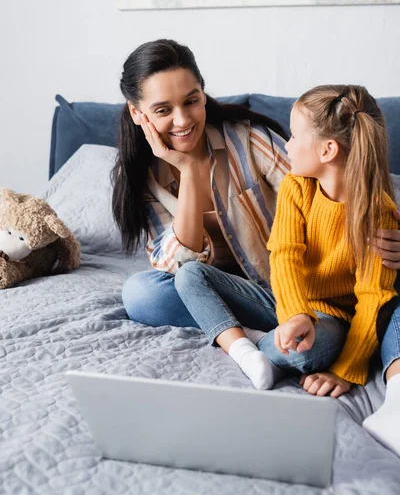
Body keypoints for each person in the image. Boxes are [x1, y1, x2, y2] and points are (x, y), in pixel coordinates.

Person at [113, 40, 400, 455]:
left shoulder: (250, 142)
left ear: (204, 94)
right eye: (162, 110)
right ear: (138, 114)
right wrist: (191, 172)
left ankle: (258, 337)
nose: (182, 119)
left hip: (298, 295)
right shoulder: (141, 178)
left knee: (365, 313)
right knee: (142, 293)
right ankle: (247, 340)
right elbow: (177, 262)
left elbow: (327, 191)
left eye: (192, 101)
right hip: (250, 297)